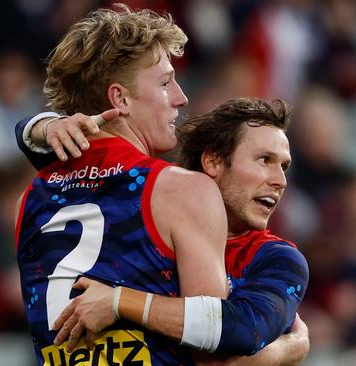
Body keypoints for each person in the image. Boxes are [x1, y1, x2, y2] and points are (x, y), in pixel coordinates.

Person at [18, 98, 310, 365]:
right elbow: (60, 157)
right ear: (213, 162)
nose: (280, 180)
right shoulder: (145, 214)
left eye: (284, 166)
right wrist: (45, 126)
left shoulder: (277, 258)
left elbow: (246, 331)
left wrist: (120, 302)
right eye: (265, 160)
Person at [14, 5, 230, 365]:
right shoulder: (182, 190)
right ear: (120, 99)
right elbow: (215, 350)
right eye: (165, 82)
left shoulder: (30, 197)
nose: (181, 97)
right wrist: (290, 346)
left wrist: (39, 126)